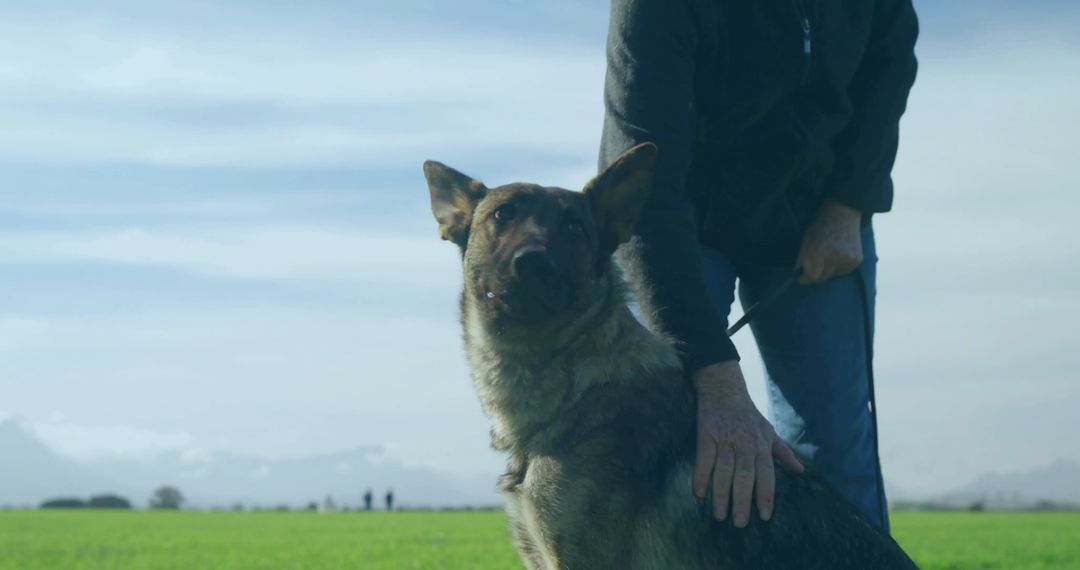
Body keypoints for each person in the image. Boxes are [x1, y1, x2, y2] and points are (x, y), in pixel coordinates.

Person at [599, 0, 918, 532]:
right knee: (646, 446)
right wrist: (715, 377)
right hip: (681, 226)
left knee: (836, 455)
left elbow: (890, 62)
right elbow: (645, 193)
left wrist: (848, 204)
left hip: (819, 215)